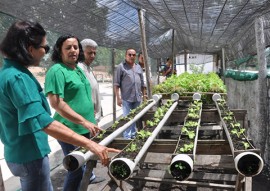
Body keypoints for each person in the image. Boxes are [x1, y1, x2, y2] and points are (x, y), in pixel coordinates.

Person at [0, 21, 119, 191]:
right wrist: (90, 144)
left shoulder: (8, 73)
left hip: (19, 152)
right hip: (29, 154)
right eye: (44, 48)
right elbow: (44, 122)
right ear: (28, 48)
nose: (45, 53)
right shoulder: (19, 78)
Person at [44, 35, 107, 190]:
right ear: (60, 50)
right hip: (69, 129)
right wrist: (84, 121)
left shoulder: (77, 68)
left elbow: (82, 95)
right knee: (76, 170)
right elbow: (57, 104)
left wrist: (90, 117)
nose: (73, 50)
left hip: (85, 128)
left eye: (75, 47)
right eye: (68, 47)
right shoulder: (57, 70)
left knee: (84, 165)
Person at [114, 48, 146, 139]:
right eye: (129, 54)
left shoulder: (139, 67)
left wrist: (144, 96)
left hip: (137, 97)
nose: (132, 56)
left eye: (133, 55)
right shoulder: (121, 67)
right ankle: (127, 137)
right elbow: (116, 84)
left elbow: (142, 83)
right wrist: (118, 98)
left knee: (136, 117)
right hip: (126, 98)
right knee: (127, 118)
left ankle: (133, 134)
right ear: (126, 56)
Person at [78, 39, 102, 123]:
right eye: (89, 53)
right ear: (81, 52)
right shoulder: (79, 69)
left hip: (93, 116)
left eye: (94, 53)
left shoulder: (89, 69)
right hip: (86, 118)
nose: (93, 56)